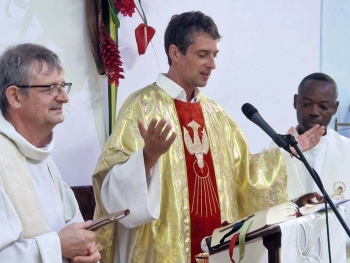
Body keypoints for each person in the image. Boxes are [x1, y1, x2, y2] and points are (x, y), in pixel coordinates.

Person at [92, 11, 324, 263]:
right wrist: (146, 158)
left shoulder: (216, 115)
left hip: (219, 252)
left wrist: (283, 155)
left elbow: (244, 175)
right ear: (175, 53)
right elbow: (109, 189)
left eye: (214, 55)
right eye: (203, 54)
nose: (212, 64)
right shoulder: (142, 107)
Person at [0, 43, 101, 263]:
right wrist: (57, 247)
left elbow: (71, 226)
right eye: (50, 88)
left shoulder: (41, 155)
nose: (64, 97)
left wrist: (85, 250)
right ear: (15, 96)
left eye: (63, 86)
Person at [282, 73, 350, 207]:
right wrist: (294, 208)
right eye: (307, 104)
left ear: (335, 108)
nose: (314, 112)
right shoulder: (276, 153)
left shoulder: (347, 150)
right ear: (296, 101)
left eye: (323, 107)